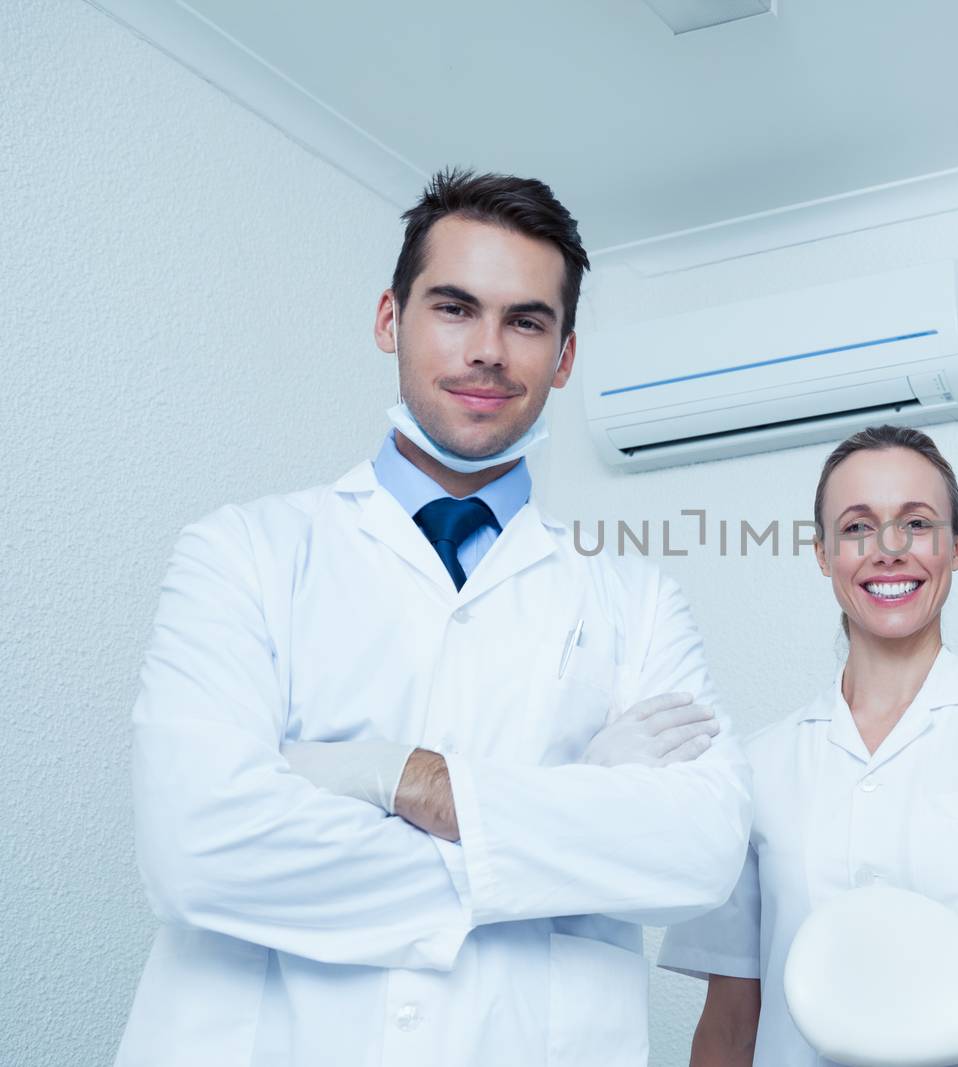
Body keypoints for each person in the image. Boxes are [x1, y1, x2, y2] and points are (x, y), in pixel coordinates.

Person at [116, 170, 752, 1067]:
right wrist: (570, 817)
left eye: (527, 320)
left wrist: (387, 774)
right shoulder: (243, 552)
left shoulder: (636, 599)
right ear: (390, 320)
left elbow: (697, 853)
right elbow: (198, 848)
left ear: (564, 356)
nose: (488, 349)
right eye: (455, 308)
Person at [658, 425, 958, 1066]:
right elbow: (728, 1029)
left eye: (916, 523)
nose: (889, 550)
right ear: (822, 552)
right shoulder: (755, 770)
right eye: (858, 527)